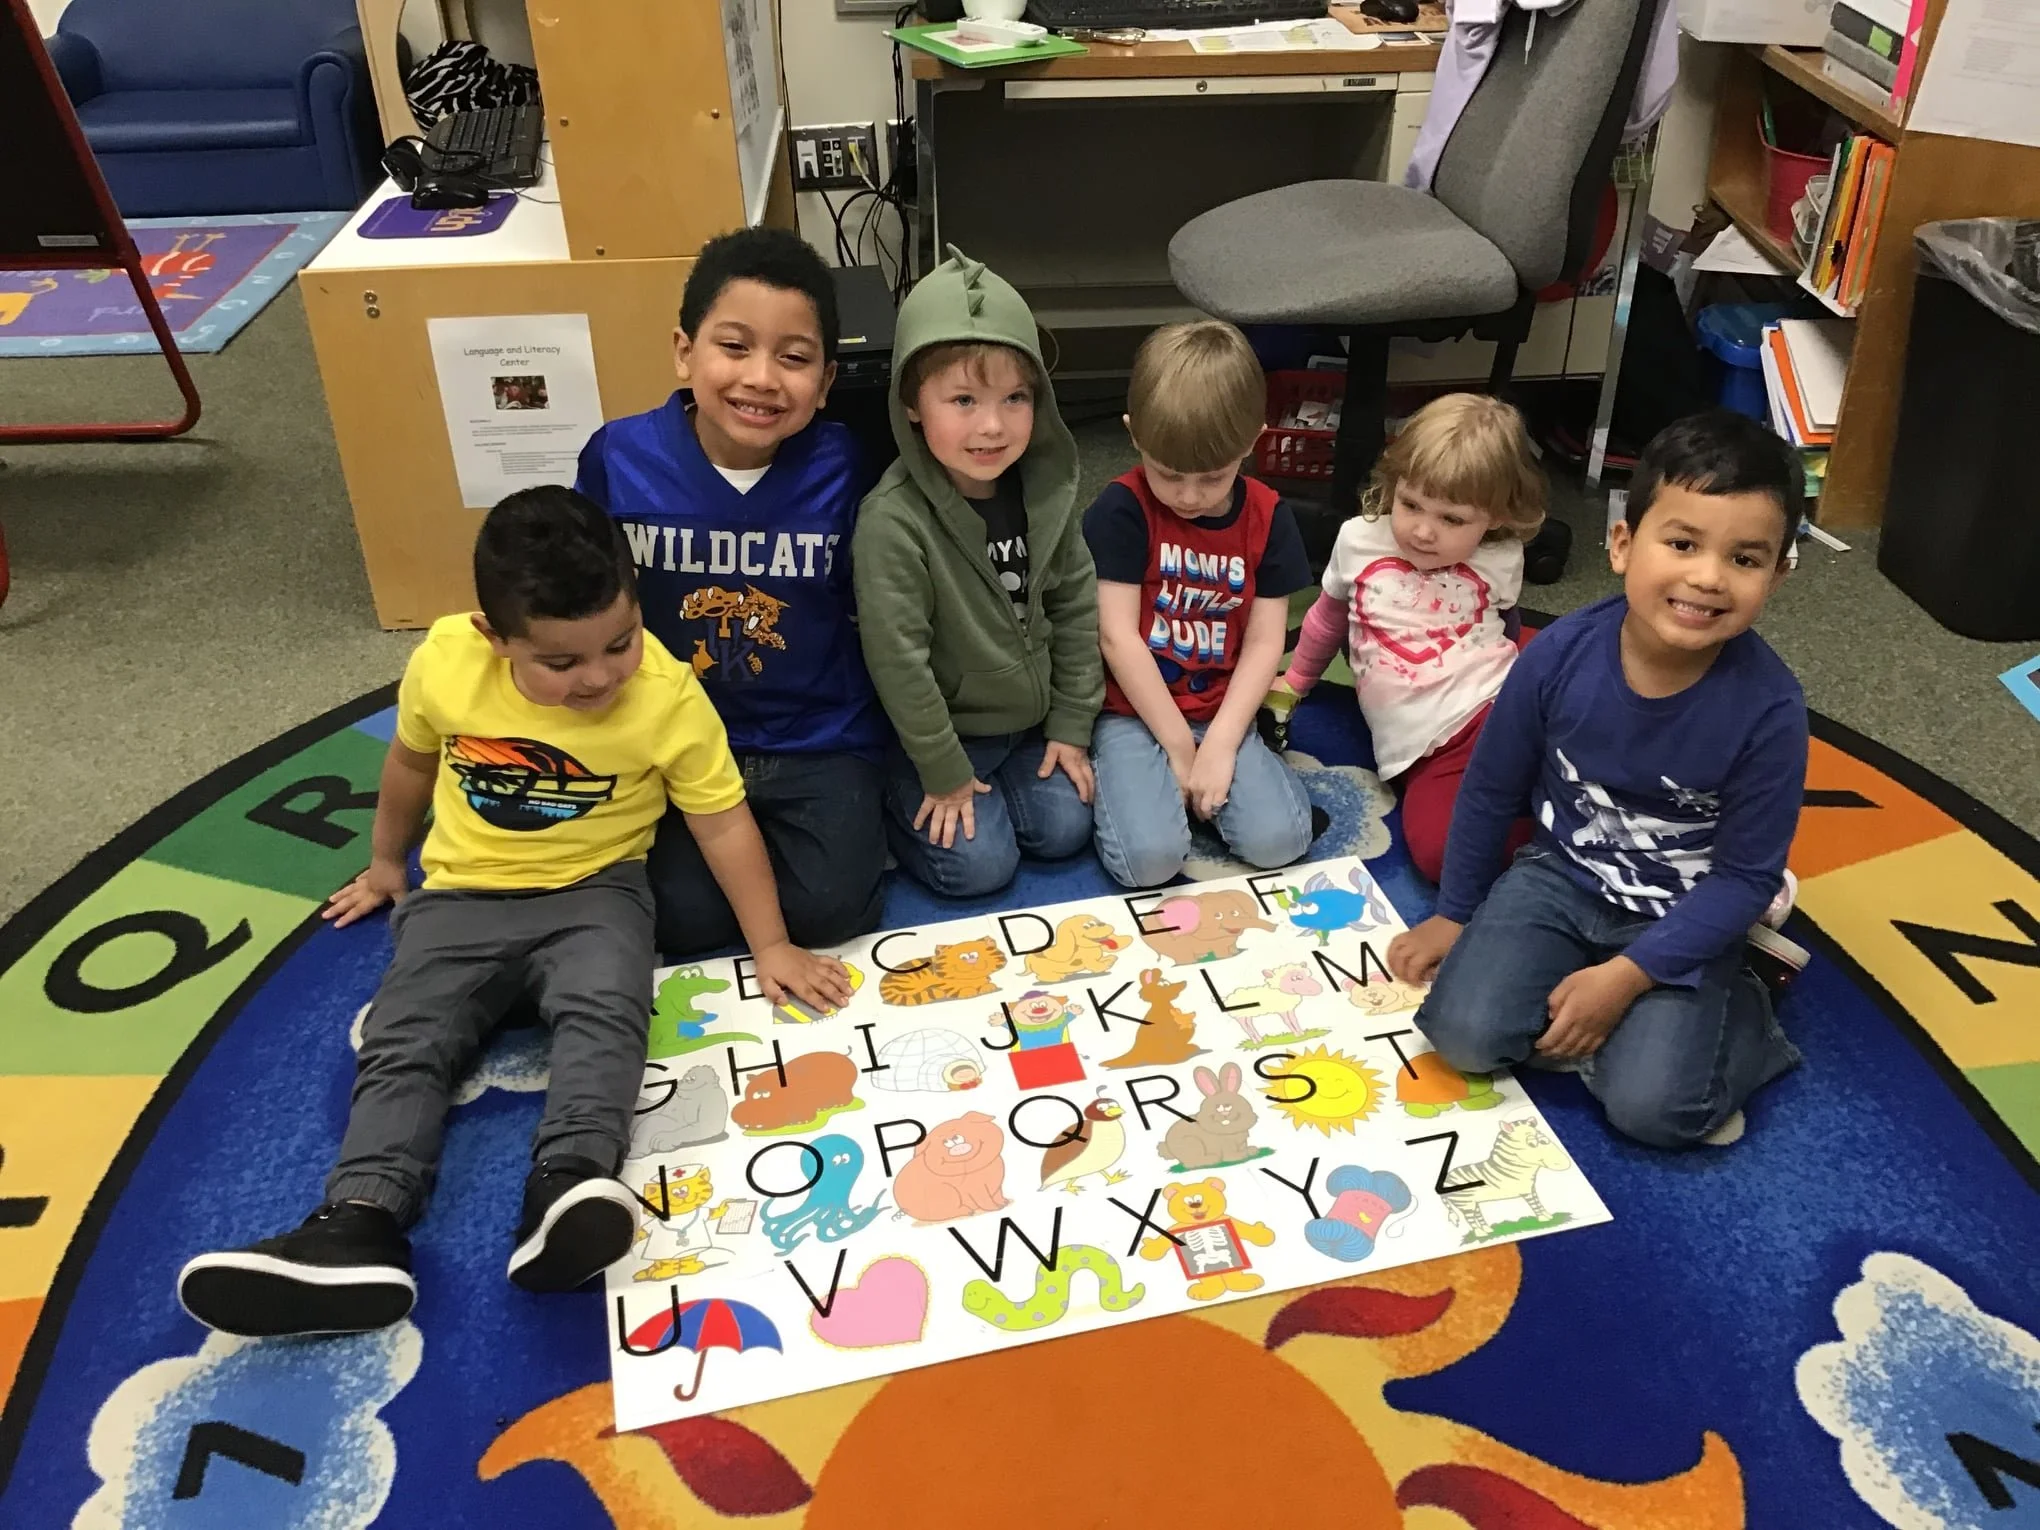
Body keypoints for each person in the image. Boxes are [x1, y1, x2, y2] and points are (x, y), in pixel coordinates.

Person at [176, 487, 851, 1338]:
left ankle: (566, 1189)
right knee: (405, 1036)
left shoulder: (668, 694)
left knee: (607, 1017)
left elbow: (722, 823)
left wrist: (774, 943)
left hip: (596, 895)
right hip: (460, 895)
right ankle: (358, 1223)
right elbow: (411, 764)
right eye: (561, 665)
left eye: (619, 641)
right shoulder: (447, 661)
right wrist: (387, 864)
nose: (601, 675)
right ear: (494, 636)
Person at [1387, 411, 1808, 1150]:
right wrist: (1456, 911)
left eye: (1745, 560)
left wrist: (1629, 977)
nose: (1707, 577)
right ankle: (1618, 1005)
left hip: (1677, 914)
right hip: (1560, 876)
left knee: (1653, 1111)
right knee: (1461, 1036)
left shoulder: (1770, 710)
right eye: (1681, 544)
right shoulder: (1556, 656)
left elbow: (1745, 878)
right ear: (1623, 544)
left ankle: (1743, 1012)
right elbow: (1490, 788)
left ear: (1777, 574)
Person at [576, 227, 889, 958]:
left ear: (828, 381)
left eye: (794, 358)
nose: (762, 378)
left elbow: (878, 603)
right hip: (676, 736)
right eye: (735, 346)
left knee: (831, 913)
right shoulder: (619, 458)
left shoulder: (845, 464)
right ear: (685, 351)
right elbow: (583, 597)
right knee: (686, 924)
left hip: (818, 735)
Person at [852, 248, 1102, 897]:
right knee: (976, 868)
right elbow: (898, 663)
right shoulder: (893, 522)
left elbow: (1077, 609)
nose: (992, 425)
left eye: (1015, 397)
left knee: (1066, 828)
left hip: (1026, 728)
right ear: (912, 402)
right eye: (962, 399)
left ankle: (996, 788)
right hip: (936, 738)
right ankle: (889, 801)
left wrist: (1072, 728)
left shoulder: (1044, 493)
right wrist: (942, 773)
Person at [1083, 320, 1315, 888]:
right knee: (1149, 863)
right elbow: (1117, 637)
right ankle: (1159, 787)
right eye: (1169, 475)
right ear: (1134, 434)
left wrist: (1222, 744)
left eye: (1212, 478)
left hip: (1221, 707)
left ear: (1253, 442)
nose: (1188, 497)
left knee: (1279, 842)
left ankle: (1195, 789)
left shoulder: (1269, 516)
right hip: (1133, 714)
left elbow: (1265, 643)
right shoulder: (1121, 510)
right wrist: (1180, 747)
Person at [1279, 393, 1546, 885]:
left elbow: (1509, 630)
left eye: (1452, 519)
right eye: (1411, 504)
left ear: (1498, 518)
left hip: (1501, 707)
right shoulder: (1359, 539)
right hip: (1423, 751)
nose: (1423, 531)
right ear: (1393, 485)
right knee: (1438, 855)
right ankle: (1552, 841)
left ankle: (1583, 832)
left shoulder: (1501, 556)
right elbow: (1326, 618)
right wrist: (1295, 682)